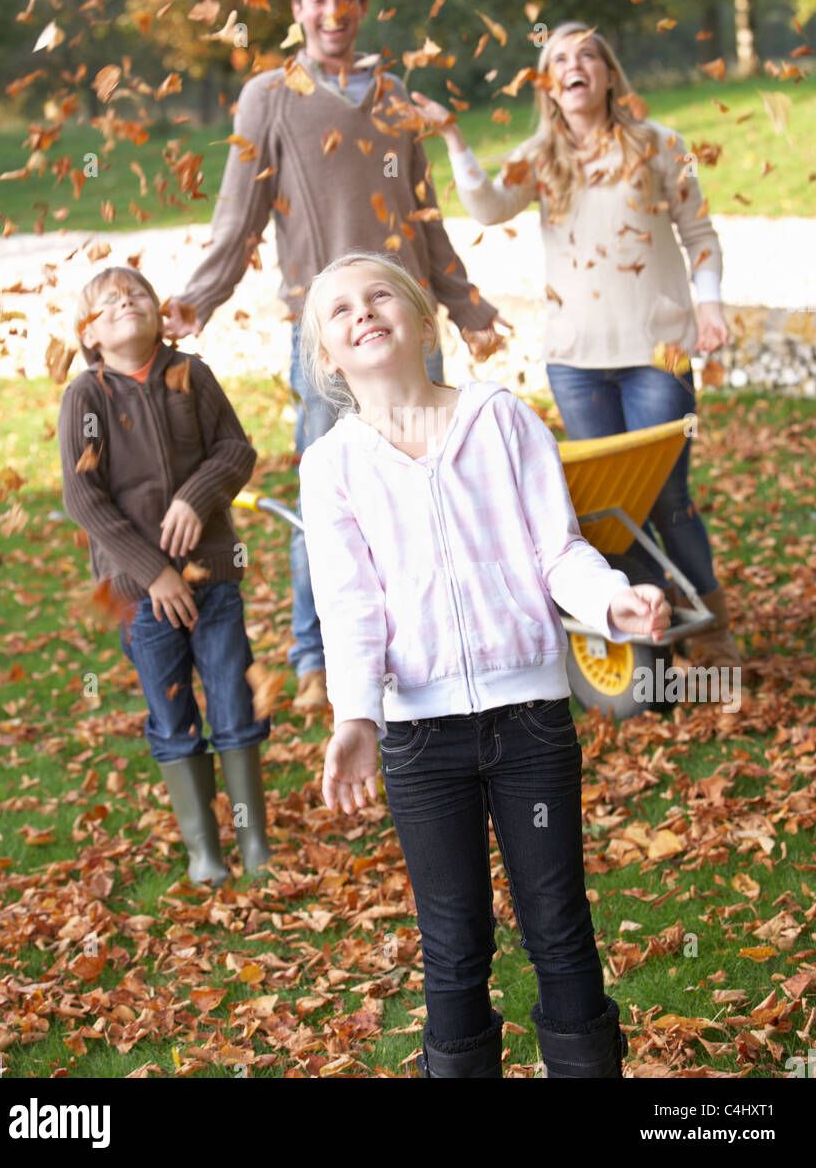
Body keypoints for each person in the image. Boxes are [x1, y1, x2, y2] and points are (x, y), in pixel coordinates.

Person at [297, 251, 671, 1078]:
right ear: (326, 354)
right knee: (454, 939)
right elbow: (351, 607)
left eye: (381, 294)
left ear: (424, 318)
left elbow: (558, 552)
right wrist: (355, 717)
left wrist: (611, 604)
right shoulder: (332, 467)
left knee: (557, 921)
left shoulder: (501, 419)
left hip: (529, 724)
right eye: (340, 309)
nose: (363, 312)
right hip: (420, 741)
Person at [163, 0, 510, 714]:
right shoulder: (269, 96)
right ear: (297, 11)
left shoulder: (395, 98)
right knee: (330, 486)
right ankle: (315, 651)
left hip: (409, 321)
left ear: (361, 7)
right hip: (327, 328)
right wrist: (200, 297)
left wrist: (467, 305)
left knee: (429, 481)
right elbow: (237, 215)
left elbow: (425, 216)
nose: (332, 10)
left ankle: (423, 637)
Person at [411, 21, 741, 671]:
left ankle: (712, 631)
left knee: (667, 499)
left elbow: (699, 234)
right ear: (548, 86)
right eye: (558, 58)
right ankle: (649, 629)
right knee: (612, 510)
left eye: (588, 53)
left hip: (659, 354)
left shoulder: (660, 144)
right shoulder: (540, 155)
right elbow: (485, 207)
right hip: (576, 362)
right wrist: (452, 135)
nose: (574, 64)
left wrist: (709, 307)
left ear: (609, 74)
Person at [58, 266, 271, 886]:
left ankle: (253, 841)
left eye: (138, 293)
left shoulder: (191, 375)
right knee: (173, 717)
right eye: (108, 301)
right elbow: (84, 497)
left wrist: (194, 498)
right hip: (142, 597)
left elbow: (236, 451)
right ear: (90, 335)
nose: (127, 300)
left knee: (233, 701)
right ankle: (204, 849)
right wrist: (153, 573)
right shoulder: (87, 398)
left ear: (159, 312)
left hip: (214, 579)